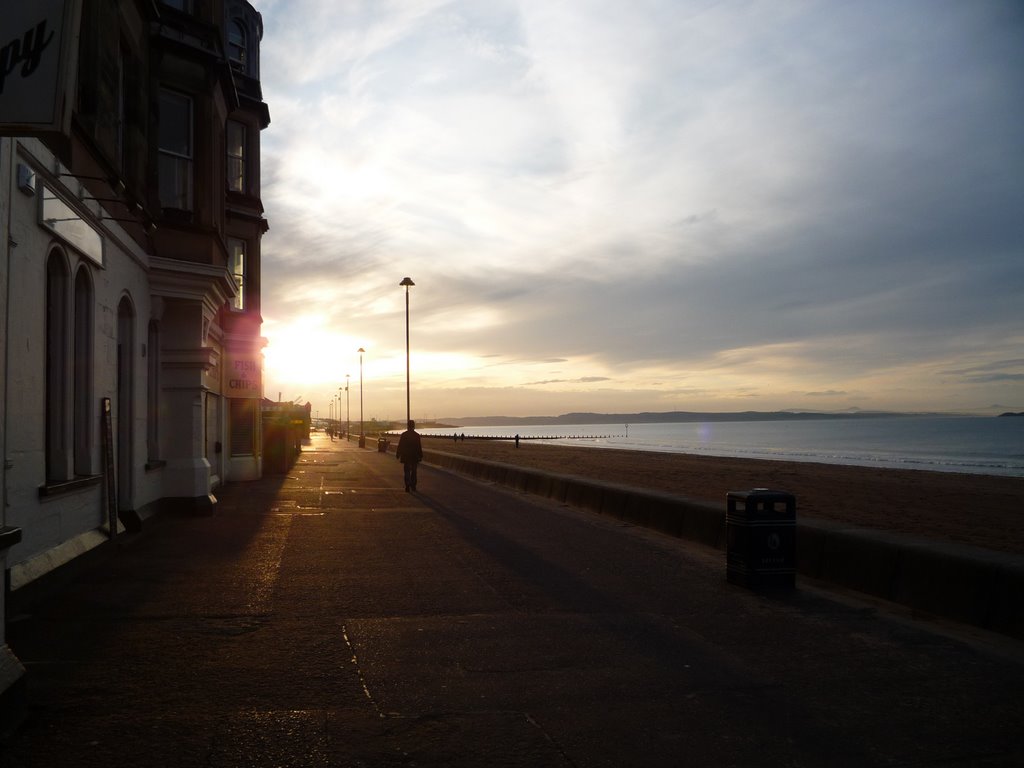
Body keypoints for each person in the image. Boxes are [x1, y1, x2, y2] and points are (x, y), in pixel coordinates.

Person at [396, 419, 423, 492]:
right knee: (414, 471)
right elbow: (419, 447)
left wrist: (398, 454)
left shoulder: (404, 435)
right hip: (414, 456)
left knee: (407, 471)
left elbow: (400, 445)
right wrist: (420, 456)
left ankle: (407, 485)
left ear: (408, 426)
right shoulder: (416, 435)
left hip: (406, 456)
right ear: (414, 426)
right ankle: (413, 486)